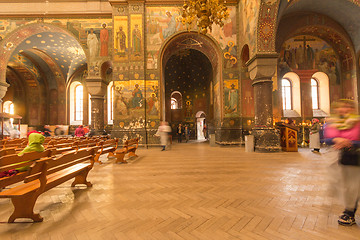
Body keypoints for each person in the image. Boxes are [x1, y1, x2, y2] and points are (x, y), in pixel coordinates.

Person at [324, 99, 360, 226]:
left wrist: (349, 142)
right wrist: (335, 139)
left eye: (348, 107)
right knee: (348, 185)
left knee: (354, 184)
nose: (345, 110)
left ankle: (349, 212)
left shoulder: (357, 122)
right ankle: (349, 211)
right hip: (342, 157)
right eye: (342, 107)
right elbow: (327, 139)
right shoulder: (332, 122)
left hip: (356, 154)